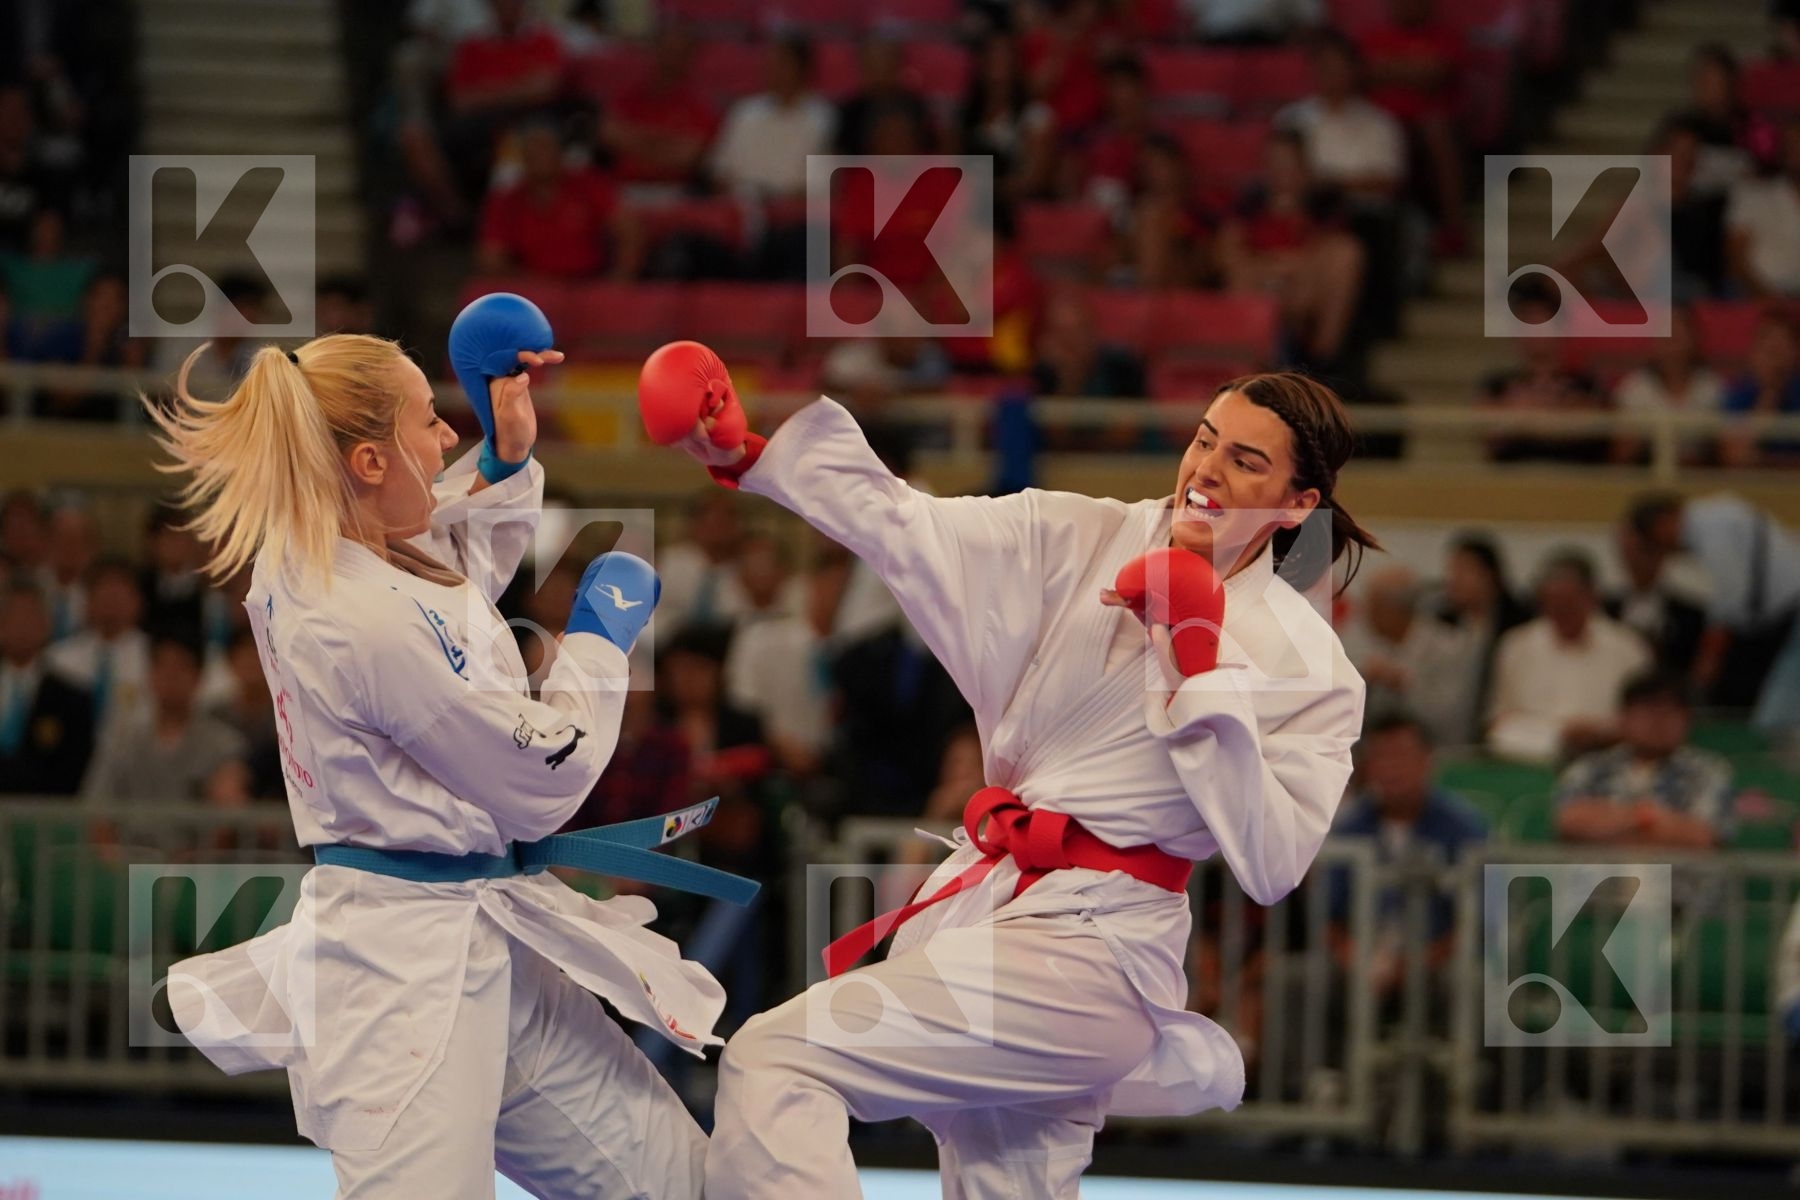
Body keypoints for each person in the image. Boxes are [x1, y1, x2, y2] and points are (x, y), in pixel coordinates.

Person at [643, 347, 1372, 1198]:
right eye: (1205, 441)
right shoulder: (1087, 533)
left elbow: (1275, 862)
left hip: (1098, 954)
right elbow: (911, 528)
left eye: (1246, 461)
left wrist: (1197, 660)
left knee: (778, 1057)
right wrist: (749, 453)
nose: (1207, 469)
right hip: (999, 911)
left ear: (1298, 505)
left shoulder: (1309, 663)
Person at [153, 300, 733, 1199]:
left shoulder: (350, 547)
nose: (445, 432)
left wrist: (502, 455)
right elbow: (549, 776)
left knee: (685, 1187)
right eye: (430, 418)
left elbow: (446, 575)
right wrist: (597, 640)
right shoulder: (353, 619)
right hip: (400, 976)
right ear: (369, 460)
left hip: (491, 932)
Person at [1485, 550, 1652, 764]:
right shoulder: (1516, 645)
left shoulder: (1629, 647)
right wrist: (1557, 734)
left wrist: (1597, 732)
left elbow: (1645, 721)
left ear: (1591, 598)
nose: (1560, 611)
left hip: (1609, 761)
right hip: (1531, 762)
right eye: (1551, 603)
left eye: (1569, 603)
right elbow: (1498, 721)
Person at [1553, 670, 1731, 852]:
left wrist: (1609, 826)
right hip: (1602, 878)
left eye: (1671, 712)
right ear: (1623, 716)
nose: (1659, 721)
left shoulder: (1709, 771)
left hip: (1679, 878)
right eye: (1648, 710)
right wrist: (1646, 817)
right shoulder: (1589, 768)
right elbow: (1570, 823)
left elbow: (1701, 838)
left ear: (1688, 720)